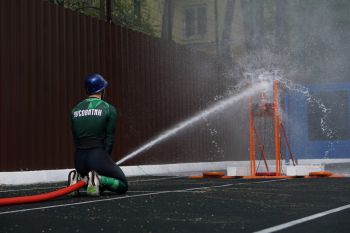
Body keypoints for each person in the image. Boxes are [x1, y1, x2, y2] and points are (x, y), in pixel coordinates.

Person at [68, 73, 128, 196]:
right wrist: (104, 159)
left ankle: (77, 179)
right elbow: (109, 140)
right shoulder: (109, 109)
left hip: (79, 160)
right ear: (102, 90)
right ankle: (98, 178)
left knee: (95, 185)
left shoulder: (75, 109)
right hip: (97, 157)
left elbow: (75, 139)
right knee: (122, 185)